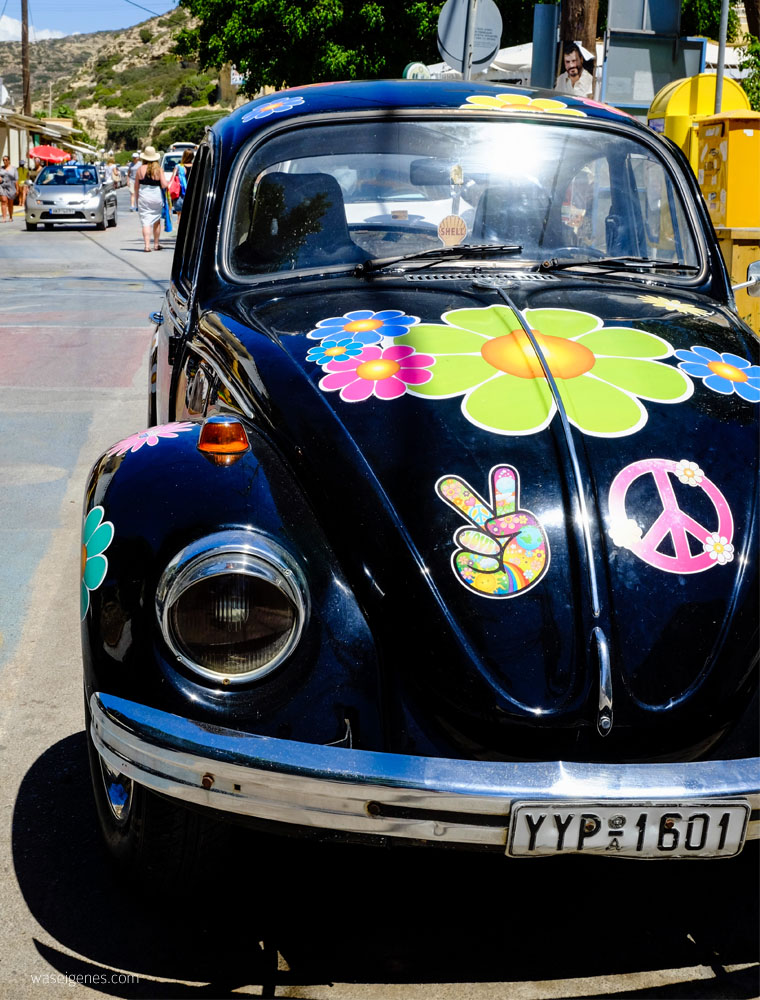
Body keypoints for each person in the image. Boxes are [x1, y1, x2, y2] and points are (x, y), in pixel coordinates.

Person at [134, 145, 169, 251]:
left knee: (146, 222)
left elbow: (136, 187)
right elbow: (164, 185)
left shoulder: (140, 169)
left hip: (144, 197)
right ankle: (156, 244)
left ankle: (147, 246)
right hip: (156, 197)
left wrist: (136, 200)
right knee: (156, 221)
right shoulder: (159, 169)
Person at [170, 148, 194, 221]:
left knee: (180, 216)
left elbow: (172, 179)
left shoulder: (179, 166)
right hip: (193, 194)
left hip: (180, 194)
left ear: (184, 156)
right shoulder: (196, 166)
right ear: (192, 157)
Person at [0, 154, 18, 222]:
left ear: (9, 161)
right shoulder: (1, 168)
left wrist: (17, 189)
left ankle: (10, 216)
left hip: (11, 187)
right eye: (3, 160)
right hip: (2, 186)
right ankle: (4, 218)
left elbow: (16, 180)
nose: (5, 161)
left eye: (6, 160)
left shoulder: (14, 169)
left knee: (10, 203)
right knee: (3, 201)